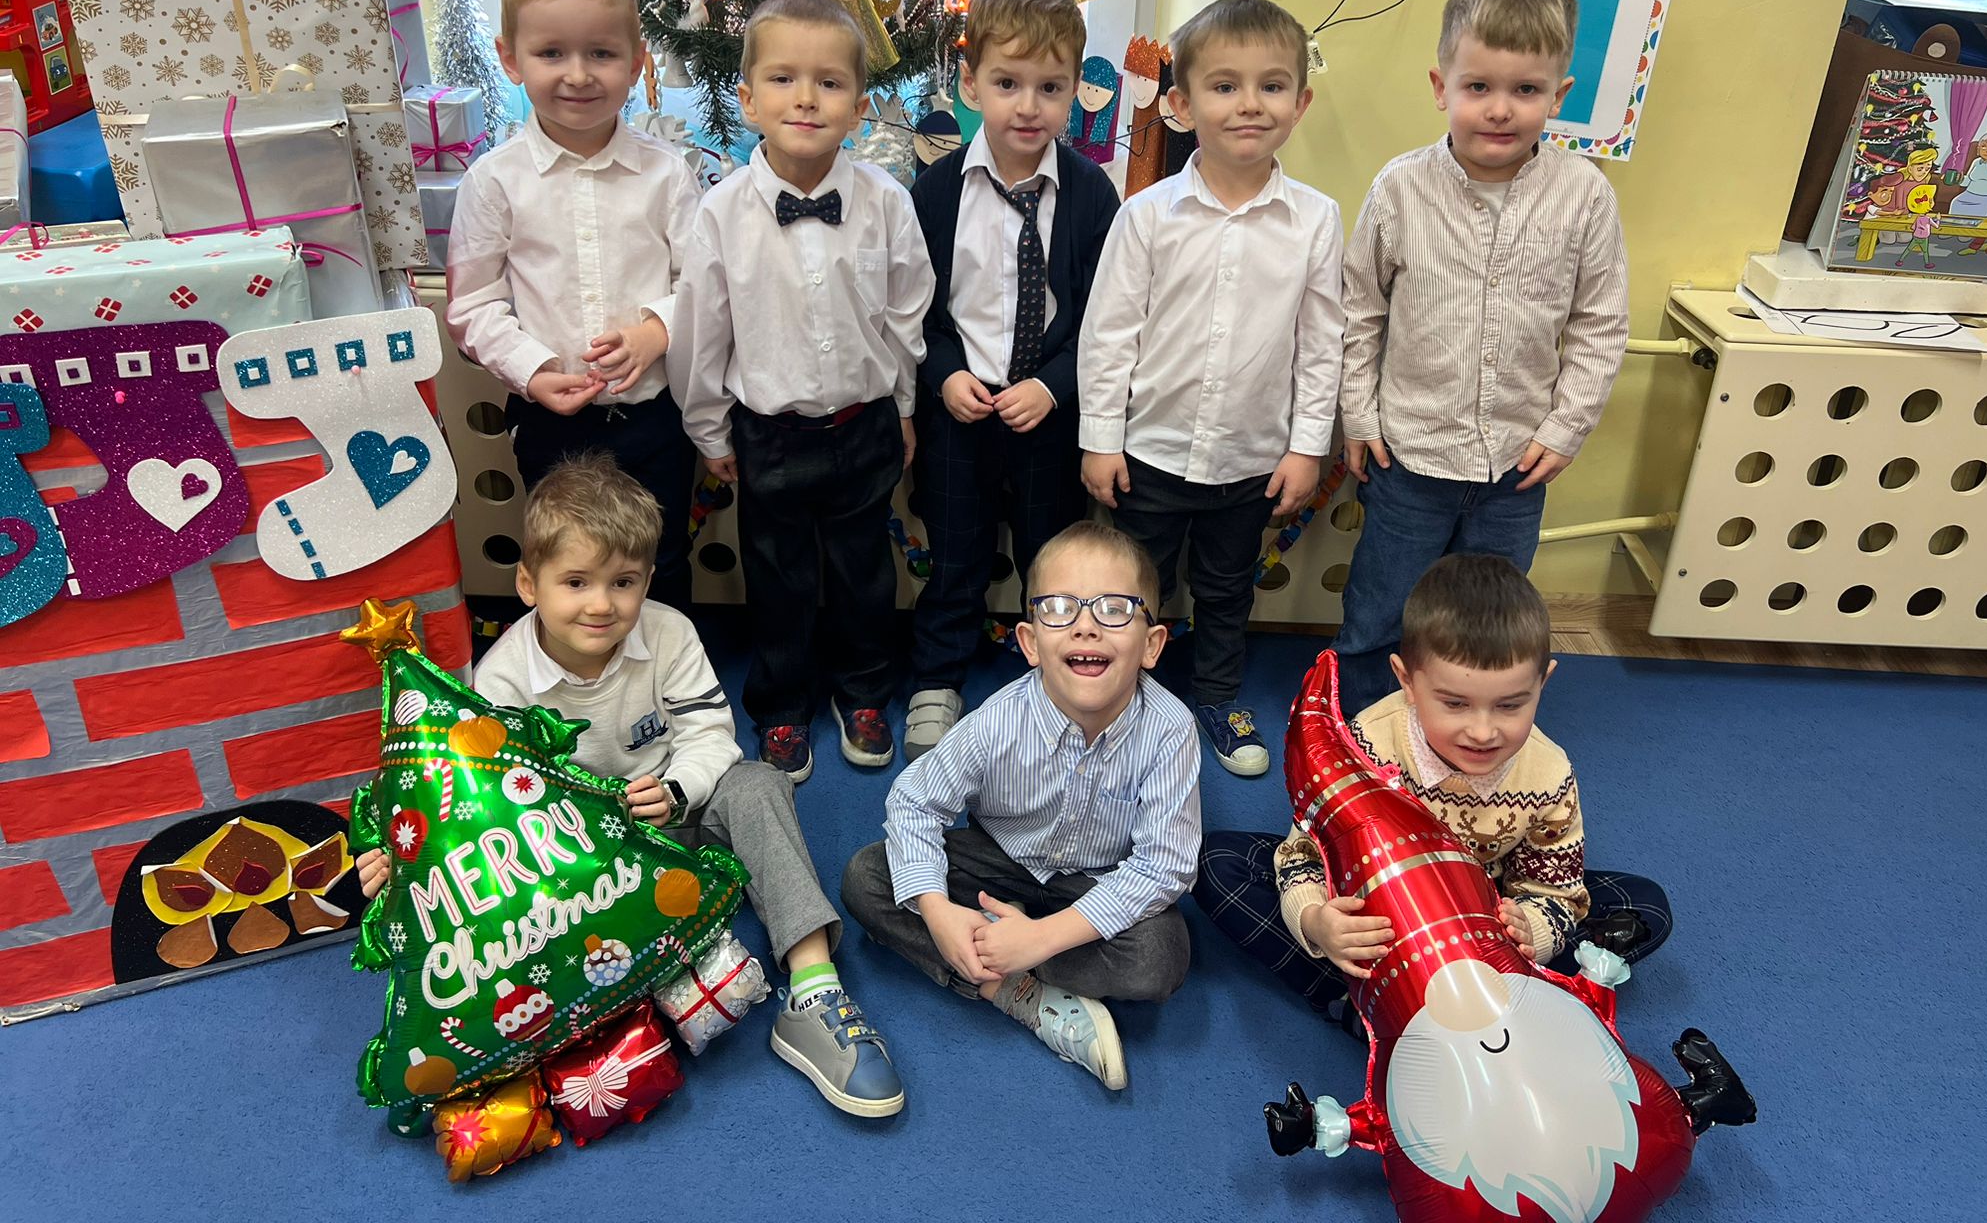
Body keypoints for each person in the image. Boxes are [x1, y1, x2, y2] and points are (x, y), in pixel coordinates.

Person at [352, 454, 904, 1116]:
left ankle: (814, 987)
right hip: (572, 865)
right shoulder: (499, 683)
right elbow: (473, 808)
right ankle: (636, 989)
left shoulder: (670, 632)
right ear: (528, 584)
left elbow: (711, 737)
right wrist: (406, 864)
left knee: (758, 783)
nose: (601, 604)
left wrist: (676, 790)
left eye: (623, 582)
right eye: (575, 582)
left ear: (646, 580)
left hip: (670, 816)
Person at [1194, 554, 1670, 1042]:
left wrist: (1532, 930)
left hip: (1483, 934)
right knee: (1218, 863)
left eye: (1510, 705)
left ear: (1542, 682)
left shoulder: (1549, 772)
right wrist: (1317, 923)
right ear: (1407, 680)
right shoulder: (1365, 744)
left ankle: (1475, 999)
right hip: (1382, 934)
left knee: (1644, 908)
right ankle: (1363, 1006)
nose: (1482, 731)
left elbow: (1555, 891)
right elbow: (1305, 856)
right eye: (1455, 704)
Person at [1332, 0, 1627, 712]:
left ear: (1559, 96)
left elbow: (1599, 323)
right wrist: (1358, 416)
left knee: (1486, 625)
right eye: (1478, 87)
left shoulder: (1585, 196)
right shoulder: (1400, 188)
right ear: (1442, 87)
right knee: (1380, 613)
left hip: (1514, 470)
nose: (1500, 110)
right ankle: (1365, 736)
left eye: (1525, 90)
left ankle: (1461, 736)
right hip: (1408, 459)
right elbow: (1359, 310)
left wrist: (1566, 428)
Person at [1077, 0, 1343, 777]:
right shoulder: (1147, 215)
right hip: (1150, 453)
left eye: (1271, 86)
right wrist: (1100, 440)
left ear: (1300, 103)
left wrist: (1306, 448)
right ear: (1183, 105)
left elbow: (1322, 344)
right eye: (1225, 86)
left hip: (1250, 459)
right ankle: (1128, 704)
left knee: (1227, 589)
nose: (1249, 104)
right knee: (1136, 587)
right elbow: (1109, 336)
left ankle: (1219, 697)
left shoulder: (1316, 220)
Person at [672, 0, 934, 779]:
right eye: (783, 78)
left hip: (865, 421)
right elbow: (702, 331)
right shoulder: (722, 213)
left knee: (864, 571)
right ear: (748, 99)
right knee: (779, 578)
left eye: (829, 82)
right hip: (769, 433)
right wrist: (709, 431)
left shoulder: (887, 202)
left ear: (857, 105)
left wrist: (905, 404)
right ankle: (782, 705)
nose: (807, 98)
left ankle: (864, 691)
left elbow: (907, 310)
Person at [841, 521, 1201, 1091]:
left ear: (1152, 645)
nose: (1086, 626)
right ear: (1030, 643)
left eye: (1114, 609)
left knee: (1162, 957)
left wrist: (1042, 937)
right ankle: (1010, 988)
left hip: (1095, 882)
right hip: (998, 861)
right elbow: (913, 803)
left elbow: (1165, 865)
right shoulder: (998, 721)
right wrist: (937, 911)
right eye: (1060, 608)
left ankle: (1005, 958)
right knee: (866, 877)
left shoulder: (1171, 730)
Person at [445, 0, 701, 610]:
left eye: (602, 53)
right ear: (510, 59)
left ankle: (666, 671)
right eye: (552, 53)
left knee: (661, 560)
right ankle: (579, 671)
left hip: (654, 418)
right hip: (552, 422)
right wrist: (530, 369)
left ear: (636, 60)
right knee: (570, 567)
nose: (579, 75)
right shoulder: (494, 181)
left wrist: (655, 331)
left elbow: (706, 284)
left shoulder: (667, 175)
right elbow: (473, 305)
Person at [904, 0, 1120, 761]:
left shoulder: (1092, 195)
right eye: (1007, 84)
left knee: (1052, 558)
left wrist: (1053, 386)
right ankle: (938, 678)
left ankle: (1061, 683)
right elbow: (917, 310)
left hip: (1047, 418)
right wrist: (944, 374)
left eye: (1050, 88)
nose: (1028, 106)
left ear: (1074, 92)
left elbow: (1104, 317)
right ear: (970, 85)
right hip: (960, 414)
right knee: (954, 555)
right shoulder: (935, 193)